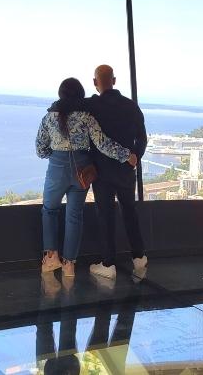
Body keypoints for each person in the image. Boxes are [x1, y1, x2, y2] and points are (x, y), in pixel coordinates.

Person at [36, 77, 137, 278]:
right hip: (82, 170)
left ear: (60, 94)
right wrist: (127, 155)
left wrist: (56, 154)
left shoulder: (49, 117)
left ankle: (51, 257)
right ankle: (69, 265)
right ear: (81, 94)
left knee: (49, 210)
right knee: (74, 216)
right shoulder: (87, 117)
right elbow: (102, 143)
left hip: (57, 169)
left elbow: (40, 150)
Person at [87, 65, 148, 280]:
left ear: (95, 83)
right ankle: (139, 257)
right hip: (125, 170)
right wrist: (134, 159)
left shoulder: (92, 105)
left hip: (102, 172)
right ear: (114, 80)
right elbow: (142, 138)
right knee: (129, 211)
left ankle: (108, 263)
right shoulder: (131, 106)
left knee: (106, 215)